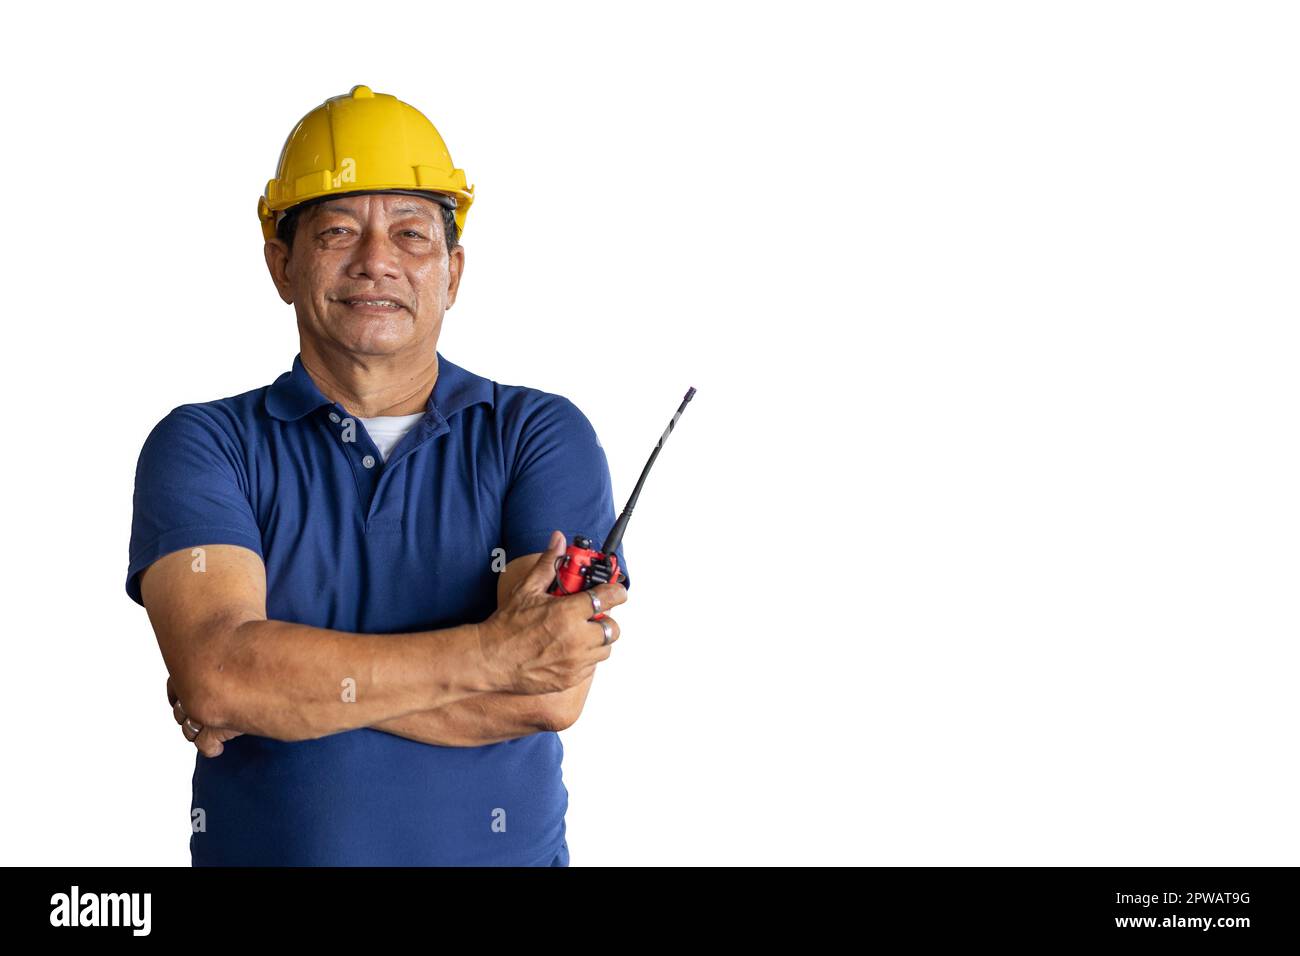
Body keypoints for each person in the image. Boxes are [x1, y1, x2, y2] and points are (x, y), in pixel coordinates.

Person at [126, 84, 630, 866]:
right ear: (280, 264)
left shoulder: (539, 435)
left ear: (453, 272)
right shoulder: (204, 444)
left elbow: (548, 692)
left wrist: (277, 688)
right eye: (336, 231)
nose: (376, 262)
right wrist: (494, 653)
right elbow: (221, 678)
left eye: (410, 235)